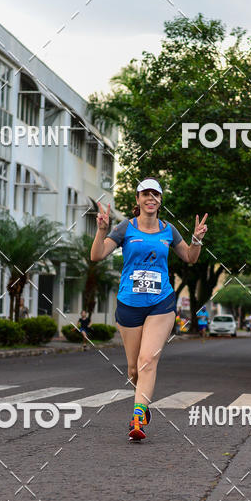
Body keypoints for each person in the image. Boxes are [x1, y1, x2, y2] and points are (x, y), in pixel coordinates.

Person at [91, 178, 208, 442]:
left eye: (155, 194)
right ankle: (142, 400)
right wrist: (102, 230)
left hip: (161, 303)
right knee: (134, 369)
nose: (151, 198)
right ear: (138, 199)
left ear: (160, 200)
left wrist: (197, 240)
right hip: (129, 304)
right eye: (146, 194)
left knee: (148, 360)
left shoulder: (169, 230)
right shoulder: (125, 229)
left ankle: (138, 417)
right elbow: (97, 256)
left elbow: (189, 257)